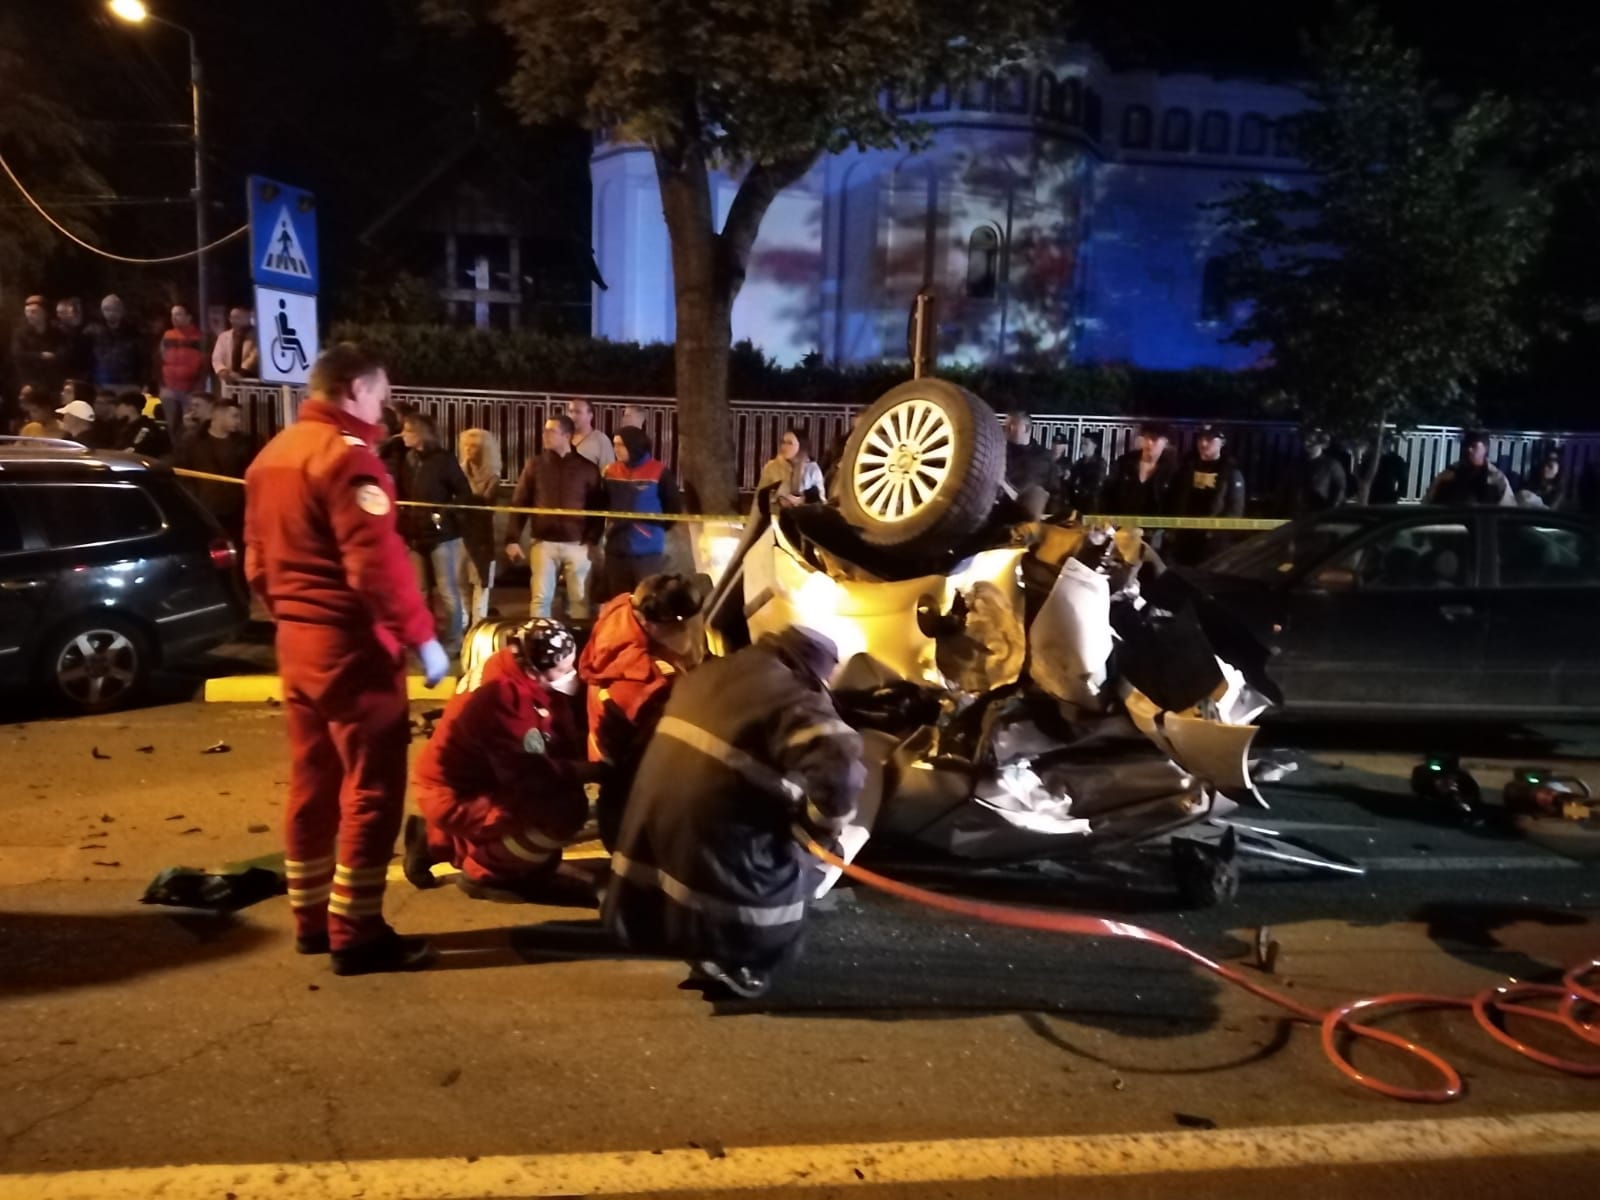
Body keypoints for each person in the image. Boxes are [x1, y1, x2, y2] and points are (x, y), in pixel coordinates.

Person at [243, 342, 449, 976]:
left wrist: (292, 614)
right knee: (371, 788)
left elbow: (256, 563)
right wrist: (423, 637)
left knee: (313, 783)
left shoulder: (272, 456)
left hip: (297, 643)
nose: (384, 411)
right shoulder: (349, 460)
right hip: (352, 648)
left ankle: (310, 919)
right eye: (381, 397)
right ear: (356, 388)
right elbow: (376, 568)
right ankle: (356, 931)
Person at [604, 625, 862, 999]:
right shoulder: (795, 699)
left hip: (653, 838)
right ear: (816, 669)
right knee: (795, 867)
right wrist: (820, 832)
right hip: (718, 842)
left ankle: (696, 940)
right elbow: (840, 774)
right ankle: (743, 958)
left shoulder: (712, 671)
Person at [402, 618, 597, 905]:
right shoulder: (504, 701)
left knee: (552, 797)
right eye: (563, 668)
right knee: (564, 810)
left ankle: (435, 840)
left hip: (464, 782)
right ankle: (488, 873)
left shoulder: (513, 662)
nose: (570, 674)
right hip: (457, 795)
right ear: (534, 669)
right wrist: (592, 770)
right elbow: (530, 775)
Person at [579, 573, 708, 851]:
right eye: (688, 626)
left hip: (616, 789)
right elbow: (678, 754)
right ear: (657, 627)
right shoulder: (650, 686)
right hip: (641, 816)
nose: (696, 631)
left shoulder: (621, 613)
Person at [505, 413, 605, 620]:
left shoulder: (587, 468)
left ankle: (578, 638)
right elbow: (520, 502)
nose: (545, 435)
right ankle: (539, 637)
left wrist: (591, 539)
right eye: (545, 430)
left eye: (551, 431)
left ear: (567, 436)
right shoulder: (535, 465)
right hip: (543, 543)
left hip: (577, 544)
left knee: (579, 600)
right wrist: (512, 539)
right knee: (541, 599)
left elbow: (597, 508)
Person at [397, 412, 477, 656]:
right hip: (413, 535)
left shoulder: (443, 460)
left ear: (422, 433)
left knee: (447, 590)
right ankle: (424, 638)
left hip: (442, 537)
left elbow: (464, 493)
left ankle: (454, 640)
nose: (403, 435)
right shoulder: (407, 459)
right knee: (419, 592)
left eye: (408, 430)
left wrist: (443, 513)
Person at [601, 426, 682, 599]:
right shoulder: (610, 471)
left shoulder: (659, 471)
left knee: (646, 600)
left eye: (620, 445)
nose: (616, 449)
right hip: (616, 548)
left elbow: (673, 507)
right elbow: (602, 501)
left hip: (647, 551)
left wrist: (654, 530)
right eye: (614, 445)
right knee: (619, 601)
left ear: (634, 445)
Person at [177, 394, 255, 544]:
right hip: (206, 508)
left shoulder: (243, 442)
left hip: (236, 510)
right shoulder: (192, 441)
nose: (238, 421)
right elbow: (183, 471)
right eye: (234, 416)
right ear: (218, 415)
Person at [1169, 424, 1246, 565]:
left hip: (1213, 543)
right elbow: (1176, 498)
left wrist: (1217, 534)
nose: (1203, 444)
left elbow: (1234, 510)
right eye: (1200, 439)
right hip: (1184, 539)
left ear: (1222, 442)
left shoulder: (1230, 472)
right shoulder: (1186, 468)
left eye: (1210, 439)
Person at [456, 427, 503, 625]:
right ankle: (463, 622)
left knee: (480, 581)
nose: (468, 450)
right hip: (460, 533)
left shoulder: (493, 476)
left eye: (474, 446)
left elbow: (480, 502)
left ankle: (478, 623)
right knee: (459, 579)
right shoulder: (458, 471)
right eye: (466, 445)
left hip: (482, 534)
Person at [1103, 421, 1177, 517]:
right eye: (1146, 437)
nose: (1148, 442)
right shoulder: (1124, 463)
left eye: (1154, 439)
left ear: (1165, 442)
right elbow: (1108, 494)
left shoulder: (1172, 470)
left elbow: (1174, 504)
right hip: (1123, 523)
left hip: (1155, 525)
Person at [1425, 432, 1513, 506]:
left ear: (1485, 449)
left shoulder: (1496, 479)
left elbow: (1508, 510)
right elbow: (1427, 504)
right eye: (1466, 446)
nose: (1469, 449)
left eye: (1474, 446)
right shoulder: (1448, 475)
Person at [158, 302, 207, 436]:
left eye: (178, 314)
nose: (174, 318)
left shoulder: (199, 337)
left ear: (189, 317)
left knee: (190, 425)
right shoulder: (167, 335)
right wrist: (161, 383)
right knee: (171, 426)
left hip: (191, 389)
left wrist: (199, 384)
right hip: (169, 388)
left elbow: (205, 363)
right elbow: (159, 359)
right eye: (172, 315)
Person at [88, 294, 148, 394]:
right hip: (100, 385)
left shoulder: (133, 332)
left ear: (121, 311)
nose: (111, 313)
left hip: (128, 384)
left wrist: (142, 382)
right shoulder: (92, 332)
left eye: (114, 309)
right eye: (107, 309)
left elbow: (143, 358)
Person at [1278, 429, 1347, 515]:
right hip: (1296, 514)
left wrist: (1330, 512)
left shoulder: (1332, 465)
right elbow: (1284, 487)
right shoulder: (1295, 464)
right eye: (1305, 440)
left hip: (1318, 515)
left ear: (1321, 444)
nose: (1306, 444)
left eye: (1311, 441)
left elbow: (1339, 491)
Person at [758, 427, 825, 512]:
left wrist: (802, 500)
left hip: (803, 517)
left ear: (801, 445)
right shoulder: (772, 467)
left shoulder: (812, 469)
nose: (784, 446)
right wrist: (778, 500)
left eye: (790, 443)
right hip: (777, 516)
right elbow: (760, 497)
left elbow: (821, 502)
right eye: (783, 442)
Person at [11, 295, 65, 395]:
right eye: (27, 312)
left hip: (53, 383)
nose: (29, 315)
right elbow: (18, 355)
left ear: (45, 313)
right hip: (30, 383)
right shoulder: (21, 333)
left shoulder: (57, 332)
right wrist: (40, 356)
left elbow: (63, 353)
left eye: (34, 312)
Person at [1002, 409, 1056, 503]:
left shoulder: (1043, 456)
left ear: (1026, 428)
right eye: (1005, 426)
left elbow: (1054, 490)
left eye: (1011, 426)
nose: (1006, 429)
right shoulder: (1000, 452)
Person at [110, 389, 173, 459]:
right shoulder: (123, 426)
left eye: (119, 406)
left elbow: (133, 449)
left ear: (131, 407)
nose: (116, 410)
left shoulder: (146, 428)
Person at [211, 305, 260, 384]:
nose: (233, 321)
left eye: (238, 317)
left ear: (247, 318)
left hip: (251, 381)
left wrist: (241, 372)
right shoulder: (223, 336)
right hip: (228, 382)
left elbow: (255, 356)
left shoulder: (257, 336)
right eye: (232, 318)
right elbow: (216, 358)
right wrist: (222, 370)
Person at [1063, 431, 1108, 515]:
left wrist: (1079, 489)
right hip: (1077, 502)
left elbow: (1096, 484)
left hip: (1091, 503)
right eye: (1082, 443)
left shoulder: (1099, 463)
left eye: (1086, 444)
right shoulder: (1079, 462)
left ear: (1094, 445)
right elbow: (1072, 480)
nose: (1082, 446)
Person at [565, 397, 616, 470]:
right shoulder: (563, 436)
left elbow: (609, 470)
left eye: (578, 412)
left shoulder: (601, 440)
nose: (573, 416)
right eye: (570, 411)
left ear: (590, 416)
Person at [53, 297, 94, 382]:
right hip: (64, 372)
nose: (58, 316)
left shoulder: (89, 330)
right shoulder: (58, 330)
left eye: (62, 312)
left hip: (84, 373)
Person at [1366, 435, 1410, 505]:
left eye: (1385, 443)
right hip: (1371, 497)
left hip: (1387, 497)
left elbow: (1403, 480)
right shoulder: (1370, 458)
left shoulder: (1396, 460)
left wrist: (1397, 494)